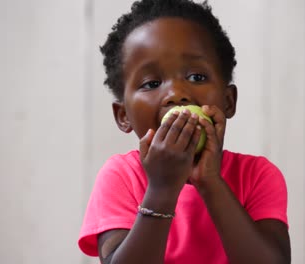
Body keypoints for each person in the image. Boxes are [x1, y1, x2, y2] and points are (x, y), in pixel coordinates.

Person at [78, 0, 291, 263]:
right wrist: (162, 189)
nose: (177, 94)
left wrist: (210, 181)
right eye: (152, 83)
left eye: (196, 78)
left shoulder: (257, 175)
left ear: (228, 102)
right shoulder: (121, 176)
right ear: (123, 116)